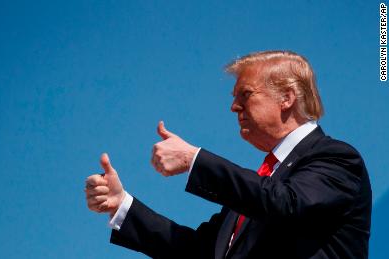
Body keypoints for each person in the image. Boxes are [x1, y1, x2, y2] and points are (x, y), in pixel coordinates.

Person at [84, 51, 372, 259]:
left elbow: (287, 203)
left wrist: (193, 159)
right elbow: (198, 251)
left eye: (245, 94)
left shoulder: (337, 158)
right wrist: (120, 205)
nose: (234, 107)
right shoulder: (257, 189)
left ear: (286, 97)